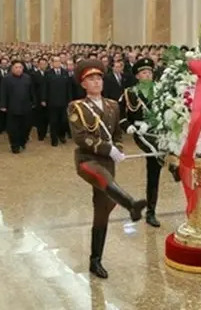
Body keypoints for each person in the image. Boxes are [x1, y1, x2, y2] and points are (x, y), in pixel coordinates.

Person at [68, 60, 147, 279]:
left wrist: (118, 149)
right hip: (87, 160)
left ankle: (96, 261)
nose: (96, 82)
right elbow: (80, 137)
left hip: (108, 161)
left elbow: (117, 135)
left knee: (102, 210)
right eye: (91, 79)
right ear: (83, 84)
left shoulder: (113, 105)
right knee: (104, 179)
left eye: (99, 78)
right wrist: (107, 148)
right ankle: (132, 204)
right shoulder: (77, 107)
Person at [119, 57, 165, 227]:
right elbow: (121, 116)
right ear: (137, 76)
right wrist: (128, 127)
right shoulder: (129, 92)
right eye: (144, 72)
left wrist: (153, 123)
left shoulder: (160, 91)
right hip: (141, 133)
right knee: (154, 161)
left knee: (163, 159)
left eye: (150, 72)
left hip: (158, 131)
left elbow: (166, 111)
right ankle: (151, 213)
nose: (148, 75)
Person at [0, 60, 36, 154]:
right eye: (16, 67)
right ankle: (14, 145)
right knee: (13, 128)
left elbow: (32, 91)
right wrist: (3, 104)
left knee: (26, 126)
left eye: (20, 67)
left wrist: (34, 102)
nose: (18, 69)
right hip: (12, 107)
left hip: (26, 107)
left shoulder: (27, 78)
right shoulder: (7, 78)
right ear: (12, 68)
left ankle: (22, 142)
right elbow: (3, 92)